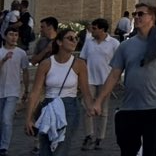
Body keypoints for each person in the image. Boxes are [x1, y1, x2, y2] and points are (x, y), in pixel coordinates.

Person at [91, 3, 156, 156]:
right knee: (127, 150)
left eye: (141, 14)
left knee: (151, 151)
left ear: (152, 17)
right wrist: (99, 101)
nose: (136, 17)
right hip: (130, 106)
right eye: (135, 14)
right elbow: (114, 75)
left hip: (155, 106)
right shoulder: (125, 46)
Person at [25, 27, 94, 156]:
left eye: (76, 38)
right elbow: (35, 92)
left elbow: (85, 90)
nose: (74, 41)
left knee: (62, 146)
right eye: (70, 38)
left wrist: (91, 107)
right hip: (48, 106)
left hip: (70, 107)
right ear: (59, 42)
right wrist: (29, 118)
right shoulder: (46, 64)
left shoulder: (79, 64)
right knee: (45, 147)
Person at [80, 17, 119, 150]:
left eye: (94, 28)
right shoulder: (89, 42)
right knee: (87, 107)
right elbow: (83, 59)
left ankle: (100, 137)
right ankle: (89, 135)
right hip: (89, 79)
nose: (92, 30)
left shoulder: (114, 43)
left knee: (103, 110)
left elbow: (119, 62)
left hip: (106, 80)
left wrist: (115, 79)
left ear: (102, 29)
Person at [0, 24, 28, 155]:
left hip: (13, 91)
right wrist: (4, 60)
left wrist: (26, 90)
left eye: (16, 35)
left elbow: (25, 71)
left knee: (6, 119)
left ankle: (4, 146)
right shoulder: (0, 52)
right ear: (5, 36)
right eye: (11, 34)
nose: (13, 37)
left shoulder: (21, 53)